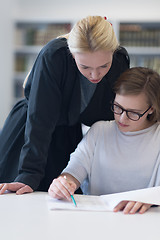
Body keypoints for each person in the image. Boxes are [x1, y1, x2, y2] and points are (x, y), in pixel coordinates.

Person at [0, 16, 129, 195]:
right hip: (30, 135)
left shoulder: (120, 61)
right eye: (85, 67)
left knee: (62, 200)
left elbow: (110, 120)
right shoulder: (54, 56)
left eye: (103, 66)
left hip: (68, 133)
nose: (94, 75)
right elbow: (40, 120)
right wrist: (28, 174)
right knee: (24, 198)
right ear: (71, 54)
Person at [48, 67, 160, 214]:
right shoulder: (99, 131)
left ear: (151, 109)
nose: (122, 118)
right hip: (97, 221)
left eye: (133, 113)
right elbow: (73, 172)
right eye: (118, 107)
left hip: (144, 223)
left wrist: (149, 198)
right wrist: (62, 185)